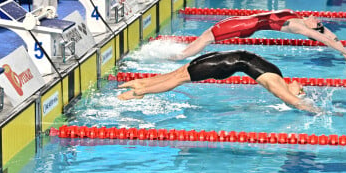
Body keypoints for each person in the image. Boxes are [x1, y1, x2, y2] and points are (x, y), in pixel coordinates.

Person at [117, 50, 322, 113]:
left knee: (179, 78)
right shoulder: (278, 77)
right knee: (179, 72)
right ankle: (141, 84)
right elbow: (295, 99)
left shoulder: (277, 85)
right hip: (222, 59)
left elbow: (292, 101)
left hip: (221, 64)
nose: (301, 86)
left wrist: (318, 111)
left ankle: (139, 91)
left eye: (301, 90)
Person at [173, 9, 346, 63]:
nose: (317, 19)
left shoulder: (299, 27)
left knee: (206, 37)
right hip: (245, 22)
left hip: (244, 25)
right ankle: (180, 54)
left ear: (312, 30)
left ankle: (178, 56)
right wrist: (341, 44)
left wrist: (344, 52)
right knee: (206, 36)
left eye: (317, 23)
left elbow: (323, 37)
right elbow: (327, 33)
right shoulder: (300, 19)